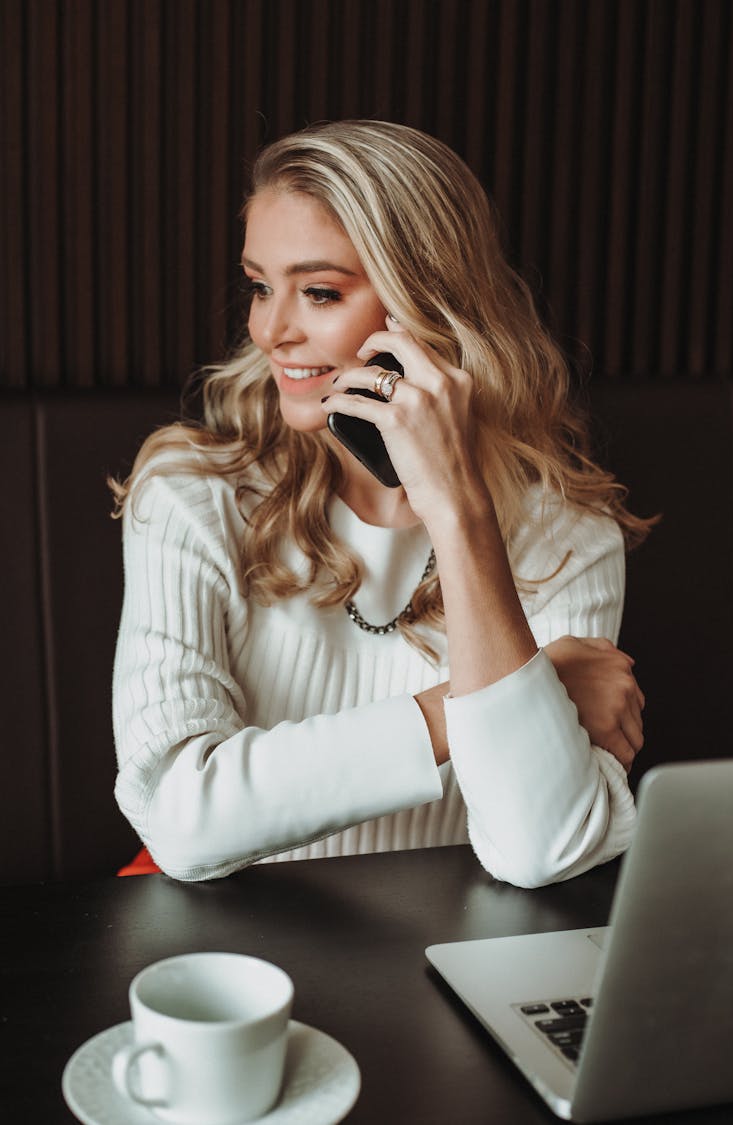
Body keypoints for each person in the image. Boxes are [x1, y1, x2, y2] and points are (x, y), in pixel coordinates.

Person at [111, 120, 652, 886]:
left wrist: (461, 516)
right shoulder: (193, 493)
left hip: (447, 958)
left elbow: (543, 848)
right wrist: (492, 702)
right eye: (261, 286)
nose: (271, 329)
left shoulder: (567, 533)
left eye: (320, 292)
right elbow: (178, 814)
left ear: (429, 303)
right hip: (230, 963)